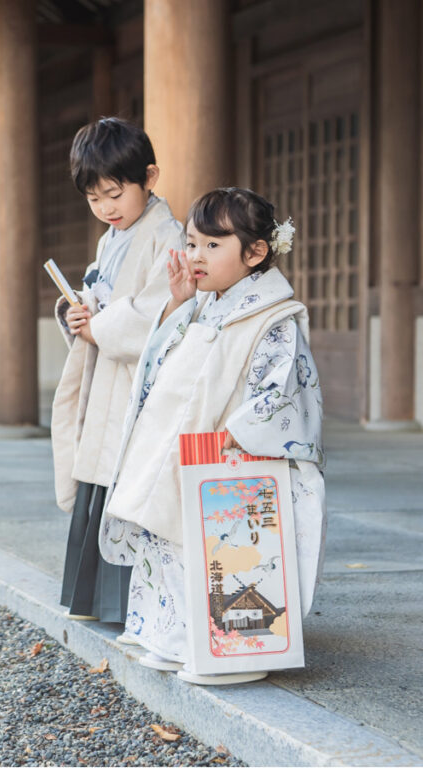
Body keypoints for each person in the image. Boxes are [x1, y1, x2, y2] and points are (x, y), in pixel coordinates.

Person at [99, 187, 326, 684]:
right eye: (192, 242)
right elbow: (166, 363)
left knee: (215, 553)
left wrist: (240, 435)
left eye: (212, 245)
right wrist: (180, 304)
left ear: (255, 252)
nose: (196, 256)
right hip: (177, 447)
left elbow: (280, 389)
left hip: (226, 454)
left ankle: (229, 654)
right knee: (166, 541)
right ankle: (170, 635)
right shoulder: (204, 305)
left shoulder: (275, 316)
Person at [51, 117, 184, 632]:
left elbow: (157, 307)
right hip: (108, 370)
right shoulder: (114, 238)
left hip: (135, 383)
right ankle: (97, 597)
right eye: (94, 199)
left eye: (114, 193)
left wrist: (99, 326)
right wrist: (77, 314)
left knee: (128, 479)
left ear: (149, 178)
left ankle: (129, 603)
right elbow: (100, 298)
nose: (106, 208)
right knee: (102, 479)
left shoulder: (168, 236)